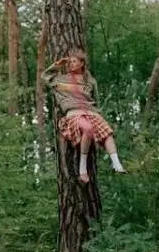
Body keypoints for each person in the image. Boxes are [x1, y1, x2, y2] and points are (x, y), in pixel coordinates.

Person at [42, 48, 126, 184]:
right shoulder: (60, 79)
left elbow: (96, 100)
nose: (71, 64)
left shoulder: (90, 81)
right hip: (73, 112)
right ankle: (82, 169)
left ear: (82, 63)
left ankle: (117, 164)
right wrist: (58, 64)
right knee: (88, 129)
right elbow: (45, 76)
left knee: (107, 133)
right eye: (70, 62)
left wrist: (96, 113)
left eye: (74, 61)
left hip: (91, 112)